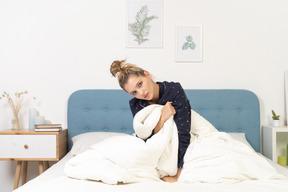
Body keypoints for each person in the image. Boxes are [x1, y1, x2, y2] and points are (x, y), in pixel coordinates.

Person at [110, 59, 191, 183]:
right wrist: (162, 119)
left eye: (140, 84)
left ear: (147, 75)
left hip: (180, 143)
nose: (141, 93)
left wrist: (178, 175)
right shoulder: (136, 105)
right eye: (134, 92)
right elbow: (144, 138)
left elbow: (183, 132)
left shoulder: (174, 90)